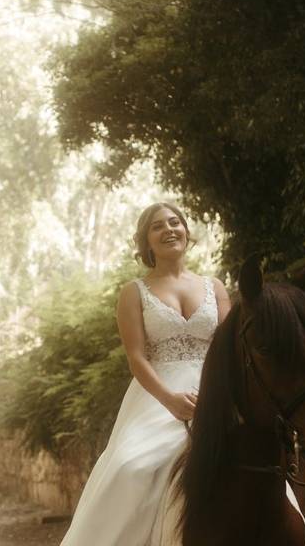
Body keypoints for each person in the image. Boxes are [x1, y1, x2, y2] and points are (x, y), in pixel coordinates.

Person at [60, 202, 232, 546]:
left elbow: (230, 350)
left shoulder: (215, 287)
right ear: (146, 242)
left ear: (186, 231)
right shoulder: (134, 292)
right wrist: (170, 401)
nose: (169, 229)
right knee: (131, 468)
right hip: (158, 396)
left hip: (215, 391)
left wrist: (223, 397)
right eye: (157, 226)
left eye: (175, 222)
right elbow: (136, 358)